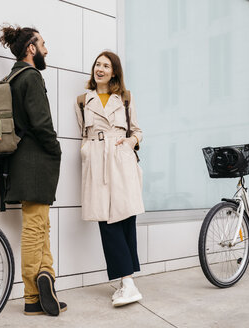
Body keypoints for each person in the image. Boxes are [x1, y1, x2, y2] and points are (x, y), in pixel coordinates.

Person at [0, 24, 66, 316]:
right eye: (43, 44)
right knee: (35, 227)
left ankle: (45, 279)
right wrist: (56, 148)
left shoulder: (11, 78)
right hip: (35, 161)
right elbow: (41, 123)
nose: (46, 50)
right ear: (31, 48)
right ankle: (31, 294)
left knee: (40, 225)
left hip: (19, 162)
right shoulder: (31, 77)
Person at [75, 51, 145, 307]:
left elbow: (137, 130)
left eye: (106, 65)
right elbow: (83, 133)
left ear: (114, 72)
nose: (100, 68)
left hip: (121, 159)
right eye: (97, 64)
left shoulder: (125, 98)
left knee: (125, 217)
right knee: (107, 221)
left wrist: (130, 142)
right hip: (97, 161)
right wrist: (86, 151)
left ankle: (127, 282)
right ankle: (128, 281)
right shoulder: (83, 100)